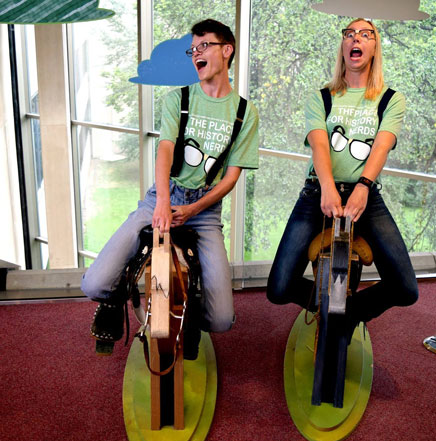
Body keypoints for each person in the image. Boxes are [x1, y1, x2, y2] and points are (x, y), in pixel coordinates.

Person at [82, 18, 259, 350]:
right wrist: (163, 200)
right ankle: (116, 296)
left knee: (221, 320)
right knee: (94, 284)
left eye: (204, 45)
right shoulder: (178, 99)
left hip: (204, 210)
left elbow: (231, 177)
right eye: (193, 49)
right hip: (162, 196)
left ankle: (187, 314)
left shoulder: (245, 113)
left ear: (226, 50)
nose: (196, 53)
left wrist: (194, 208)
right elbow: (164, 150)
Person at [267, 18, 418, 332]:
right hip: (317, 192)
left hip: (366, 196)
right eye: (349, 34)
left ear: (374, 47)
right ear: (343, 46)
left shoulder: (391, 100)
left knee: (405, 288)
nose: (355, 39)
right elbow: (319, 145)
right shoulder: (322, 97)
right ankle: (325, 305)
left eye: (365, 34)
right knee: (278, 288)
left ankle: (349, 315)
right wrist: (326, 187)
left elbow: (381, 147)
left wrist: (363, 186)